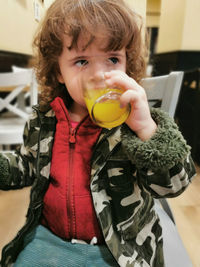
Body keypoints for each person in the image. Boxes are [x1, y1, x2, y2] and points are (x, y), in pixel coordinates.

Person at [0, 0, 196, 266]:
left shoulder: (135, 123)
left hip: (120, 246)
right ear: (59, 70)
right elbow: (27, 165)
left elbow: (175, 184)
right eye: (81, 61)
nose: (100, 75)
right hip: (50, 239)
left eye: (113, 59)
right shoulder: (44, 120)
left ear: (127, 62)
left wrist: (147, 130)